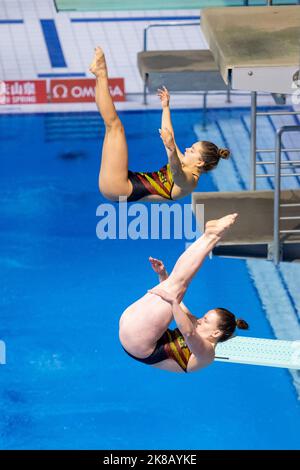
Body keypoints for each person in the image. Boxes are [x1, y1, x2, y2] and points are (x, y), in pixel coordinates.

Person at [89, 47, 230, 202]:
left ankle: (101, 74)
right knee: (112, 128)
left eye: (192, 150)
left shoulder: (190, 182)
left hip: (120, 188)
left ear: (200, 162)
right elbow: (168, 132)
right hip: (125, 181)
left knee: (115, 127)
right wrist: (165, 107)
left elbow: (176, 172)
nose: (187, 149)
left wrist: (170, 148)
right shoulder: (183, 160)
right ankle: (99, 75)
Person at [119, 213, 249, 373]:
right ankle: (210, 236)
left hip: (140, 344)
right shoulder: (197, 326)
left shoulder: (207, 353)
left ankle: (212, 236)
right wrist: (162, 276)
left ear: (215, 332)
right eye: (204, 317)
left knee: (178, 286)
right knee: (174, 285)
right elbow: (178, 306)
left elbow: (188, 331)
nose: (200, 320)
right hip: (136, 336)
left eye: (206, 320)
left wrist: (173, 301)